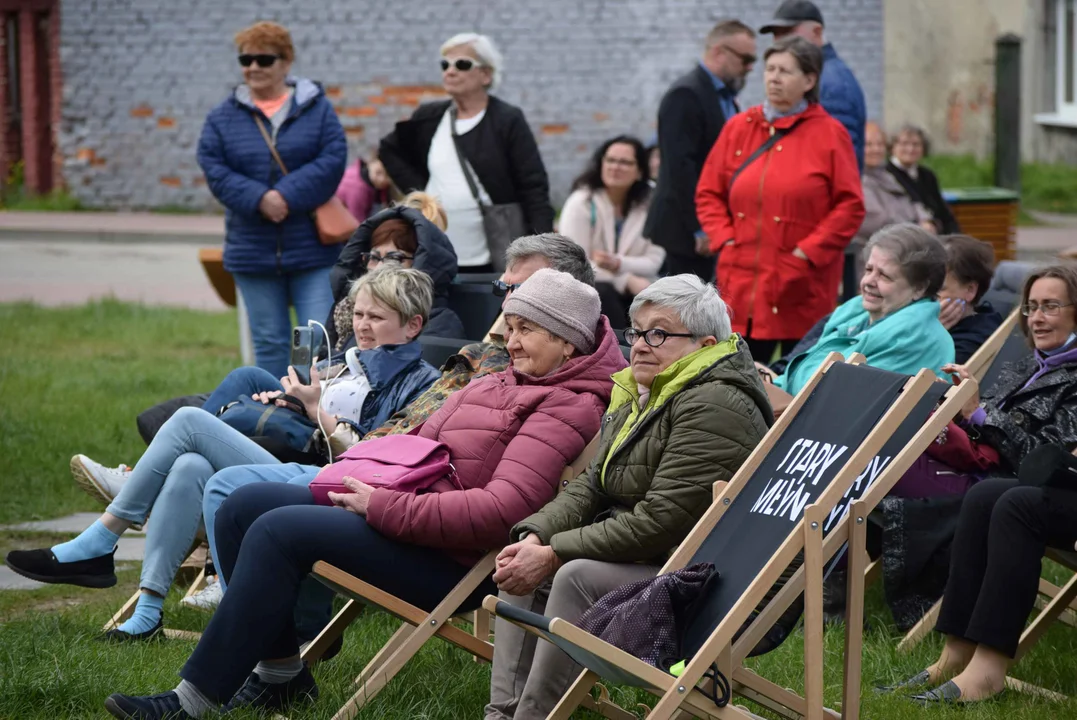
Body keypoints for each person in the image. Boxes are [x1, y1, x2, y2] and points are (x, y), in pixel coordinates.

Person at [96, 269, 629, 720]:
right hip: (407, 516)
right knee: (242, 505)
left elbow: (500, 512)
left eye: (526, 330)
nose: (509, 342)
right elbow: (411, 443)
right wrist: (358, 473)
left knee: (278, 530)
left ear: (568, 340)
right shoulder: (499, 380)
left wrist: (382, 505)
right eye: (508, 326)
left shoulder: (568, 404)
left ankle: (191, 701)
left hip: (452, 561)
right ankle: (281, 673)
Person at [4, 267, 440, 641]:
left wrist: (314, 410)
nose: (362, 326)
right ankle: (148, 610)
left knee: (189, 423)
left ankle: (102, 538)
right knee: (191, 463)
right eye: (359, 314)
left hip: (327, 486)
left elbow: (375, 457)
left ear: (413, 325)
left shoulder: (420, 382)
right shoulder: (350, 361)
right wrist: (289, 403)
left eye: (377, 318)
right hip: (294, 466)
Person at [67, 234, 596, 508]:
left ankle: (130, 505)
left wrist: (325, 418)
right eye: (504, 289)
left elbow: (476, 483)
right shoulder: (482, 359)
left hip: (375, 476)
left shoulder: (552, 386)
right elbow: (416, 429)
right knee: (223, 416)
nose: (506, 301)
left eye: (519, 290)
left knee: (195, 439)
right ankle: (147, 603)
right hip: (369, 462)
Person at [485, 274, 773, 720]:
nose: (639, 344)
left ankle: (534, 716)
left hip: (699, 581)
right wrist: (537, 535)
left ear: (705, 343)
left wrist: (555, 552)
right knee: (527, 557)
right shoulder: (650, 391)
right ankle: (502, 714)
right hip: (657, 560)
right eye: (636, 331)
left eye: (658, 333)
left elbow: (663, 521)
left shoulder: (714, 402)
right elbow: (593, 483)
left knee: (571, 574)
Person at [880, 264, 1077, 705]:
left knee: (1015, 504)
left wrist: (980, 414)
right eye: (1031, 307)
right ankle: (956, 654)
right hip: (1006, 480)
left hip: (1057, 488)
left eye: (1051, 306)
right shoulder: (1028, 364)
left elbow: (1044, 461)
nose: (1037, 317)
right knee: (988, 495)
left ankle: (988, 670)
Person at [696, 36, 864, 362]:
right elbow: (708, 192)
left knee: (798, 379)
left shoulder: (830, 134)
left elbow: (850, 206)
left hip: (800, 282)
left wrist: (805, 254)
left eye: (785, 71)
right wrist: (726, 240)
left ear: (809, 80)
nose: (774, 77)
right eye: (769, 69)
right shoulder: (738, 128)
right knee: (735, 371)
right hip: (740, 279)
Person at [196, 21, 347, 379]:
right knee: (269, 342)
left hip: (311, 248)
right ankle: (272, 418)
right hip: (252, 249)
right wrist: (259, 198)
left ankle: (311, 419)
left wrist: (285, 196)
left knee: (314, 340)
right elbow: (214, 167)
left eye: (264, 59)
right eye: (245, 59)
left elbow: (332, 159)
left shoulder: (317, 109)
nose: (253, 67)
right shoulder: (222, 117)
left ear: (286, 62)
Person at [378, 32, 554, 272]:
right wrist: (421, 191)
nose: (450, 71)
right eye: (445, 64)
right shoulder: (429, 116)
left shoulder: (506, 119)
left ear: (485, 74)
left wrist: (539, 248)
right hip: (433, 248)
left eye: (462, 64)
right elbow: (389, 149)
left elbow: (533, 186)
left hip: (492, 251)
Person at [762, 224, 954, 400]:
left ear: (919, 288)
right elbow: (799, 376)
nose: (869, 281)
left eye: (884, 276)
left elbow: (837, 401)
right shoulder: (855, 314)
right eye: (869, 269)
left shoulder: (914, 338)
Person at [644, 19, 757, 281]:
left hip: (711, 224)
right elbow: (679, 167)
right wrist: (701, 228)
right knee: (684, 314)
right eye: (745, 58)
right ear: (719, 52)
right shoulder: (686, 94)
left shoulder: (725, 97)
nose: (750, 67)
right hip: (686, 230)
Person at [558, 135, 664, 328]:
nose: (615, 167)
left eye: (625, 162)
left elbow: (654, 261)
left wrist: (618, 263)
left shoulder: (651, 204)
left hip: (641, 286)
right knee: (603, 292)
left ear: (639, 171)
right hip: (589, 290)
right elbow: (574, 264)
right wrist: (625, 279)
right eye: (610, 160)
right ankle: (620, 350)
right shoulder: (581, 202)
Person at [326, 202, 465, 349]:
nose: (380, 267)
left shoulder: (440, 323)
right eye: (374, 257)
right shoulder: (344, 309)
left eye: (395, 258)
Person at [759, 0, 867, 171]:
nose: (779, 41)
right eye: (776, 34)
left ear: (817, 32)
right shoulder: (827, 75)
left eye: (788, 33)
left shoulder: (832, 83)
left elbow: (841, 161)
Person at [852, 121, 934, 282]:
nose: (876, 149)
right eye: (869, 145)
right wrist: (918, 229)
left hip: (905, 249)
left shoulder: (887, 175)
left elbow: (911, 203)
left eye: (880, 144)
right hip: (871, 259)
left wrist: (925, 220)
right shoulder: (857, 179)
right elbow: (878, 221)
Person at [937, 235, 1002, 364]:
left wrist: (931, 333)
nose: (925, 296)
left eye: (939, 289)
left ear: (970, 290)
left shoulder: (974, 342)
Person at [887, 124, 961, 234]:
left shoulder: (927, 175)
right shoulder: (886, 174)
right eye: (904, 144)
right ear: (893, 147)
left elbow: (943, 212)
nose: (910, 149)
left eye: (916, 144)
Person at [334, 156, 392, 222]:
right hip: (344, 213)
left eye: (388, 176)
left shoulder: (362, 167)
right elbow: (358, 221)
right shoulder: (358, 193)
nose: (382, 179)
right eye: (379, 173)